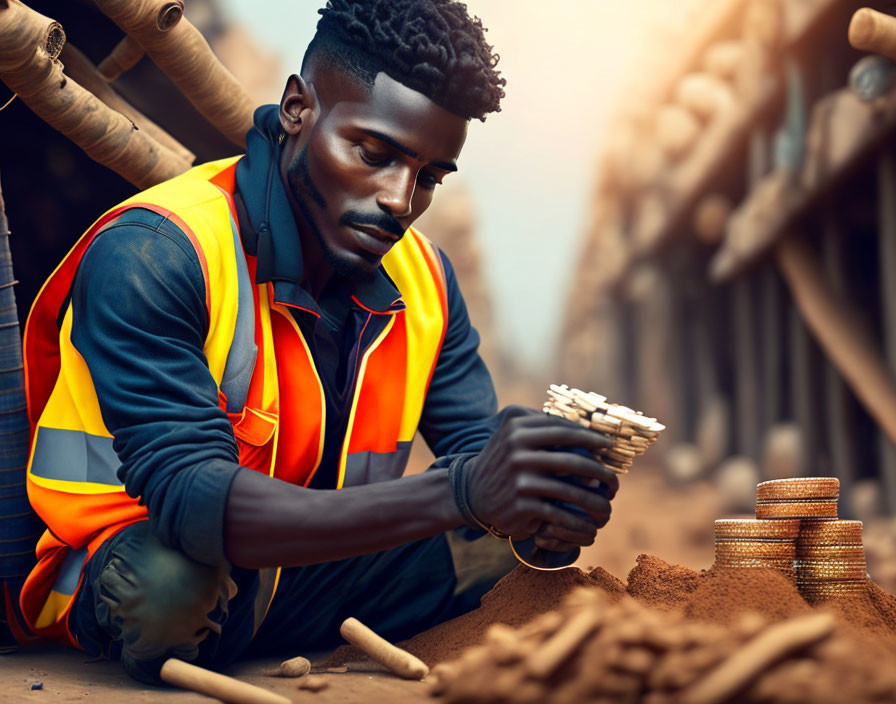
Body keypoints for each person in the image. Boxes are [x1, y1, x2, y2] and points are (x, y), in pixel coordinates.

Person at [19, 0, 617, 683]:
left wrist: (540, 497)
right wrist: (463, 492)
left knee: (509, 555)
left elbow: (476, 465)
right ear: (299, 109)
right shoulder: (157, 251)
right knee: (170, 591)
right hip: (139, 561)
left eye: (428, 177)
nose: (400, 199)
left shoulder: (426, 280)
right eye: (374, 153)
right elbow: (193, 503)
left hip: (306, 567)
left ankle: (277, 630)